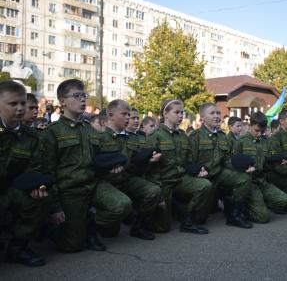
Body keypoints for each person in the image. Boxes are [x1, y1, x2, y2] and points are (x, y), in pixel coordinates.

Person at [41, 79, 132, 253]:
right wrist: (55, 208)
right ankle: (53, 229)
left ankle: (89, 227)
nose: (83, 100)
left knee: (123, 205)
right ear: (62, 101)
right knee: (72, 246)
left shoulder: (89, 129)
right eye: (77, 96)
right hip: (70, 190)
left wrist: (113, 167)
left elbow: (102, 157)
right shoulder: (52, 132)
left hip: (93, 184)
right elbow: (47, 172)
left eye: (84, 96)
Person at [147, 99, 213, 234]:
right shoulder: (155, 135)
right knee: (162, 228)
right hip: (163, 182)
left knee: (205, 185)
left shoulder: (183, 136)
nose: (180, 115)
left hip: (181, 179)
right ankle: (148, 215)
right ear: (165, 114)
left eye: (182, 112)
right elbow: (150, 168)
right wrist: (158, 194)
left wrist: (198, 171)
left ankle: (187, 220)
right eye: (176, 112)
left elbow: (189, 161)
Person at [98, 100, 162, 240]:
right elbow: (93, 164)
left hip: (126, 179)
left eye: (129, 114)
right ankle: (91, 223)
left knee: (153, 191)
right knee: (110, 231)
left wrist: (149, 160)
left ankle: (138, 226)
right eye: (124, 114)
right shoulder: (100, 137)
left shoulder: (132, 139)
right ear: (111, 115)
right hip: (107, 182)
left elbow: (136, 163)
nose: (128, 117)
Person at [0, 80, 47, 266]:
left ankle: (18, 247)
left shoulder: (31, 136)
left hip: (14, 188)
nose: (19, 108)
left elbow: (35, 168)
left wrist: (38, 185)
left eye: (22, 103)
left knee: (38, 198)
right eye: (13, 104)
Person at [189, 103, 253, 228]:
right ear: (202, 117)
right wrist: (198, 172)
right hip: (203, 177)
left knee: (244, 178)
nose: (217, 116)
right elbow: (191, 161)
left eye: (218, 113)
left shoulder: (223, 136)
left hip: (219, 174)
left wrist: (242, 169)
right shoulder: (195, 136)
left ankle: (234, 215)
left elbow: (227, 160)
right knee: (199, 219)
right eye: (212, 113)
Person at [233, 111, 287, 222]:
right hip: (248, 183)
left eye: (262, 131)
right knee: (263, 218)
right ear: (249, 126)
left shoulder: (266, 142)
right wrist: (244, 170)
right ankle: (245, 207)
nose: (259, 134)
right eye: (256, 130)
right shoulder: (241, 142)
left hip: (262, 181)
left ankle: (259, 203)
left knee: (284, 201)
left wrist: (277, 163)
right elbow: (233, 163)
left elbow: (267, 165)